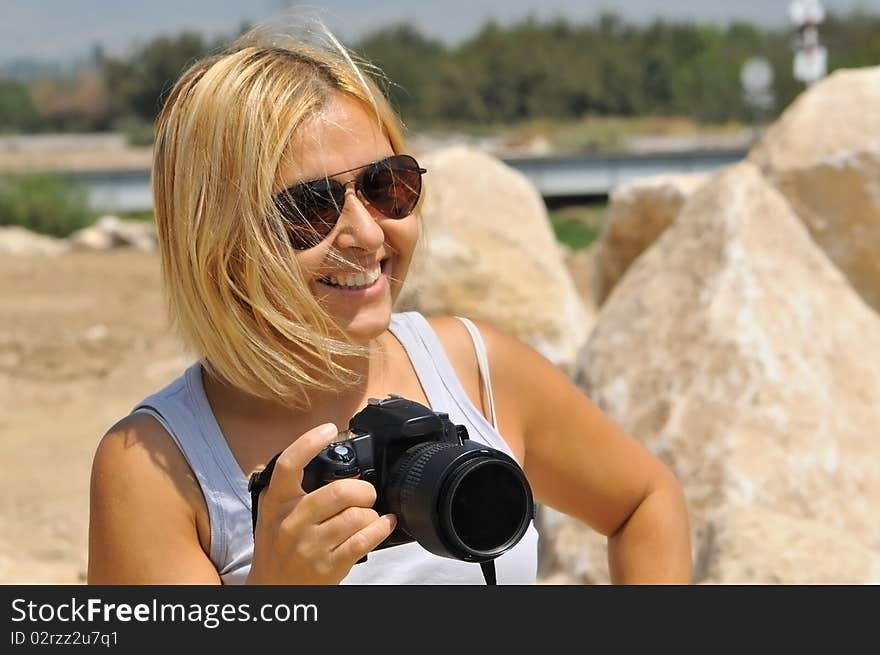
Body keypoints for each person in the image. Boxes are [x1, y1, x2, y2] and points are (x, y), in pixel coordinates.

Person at [87, 22, 693, 585]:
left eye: (387, 186)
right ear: (215, 239)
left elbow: (645, 502)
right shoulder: (156, 469)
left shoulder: (477, 371)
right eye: (311, 208)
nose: (369, 234)